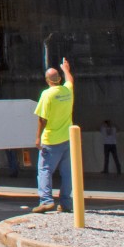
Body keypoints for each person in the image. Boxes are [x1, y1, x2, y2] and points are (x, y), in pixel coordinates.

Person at [33, 57, 75, 212]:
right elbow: (70, 80)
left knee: (44, 170)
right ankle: (66, 202)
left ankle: (46, 200)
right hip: (68, 138)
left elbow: (42, 119)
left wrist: (38, 137)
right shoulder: (67, 91)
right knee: (67, 173)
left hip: (51, 140)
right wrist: (66, 70)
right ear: (59, 79)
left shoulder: (47, 95)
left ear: (47, 80)